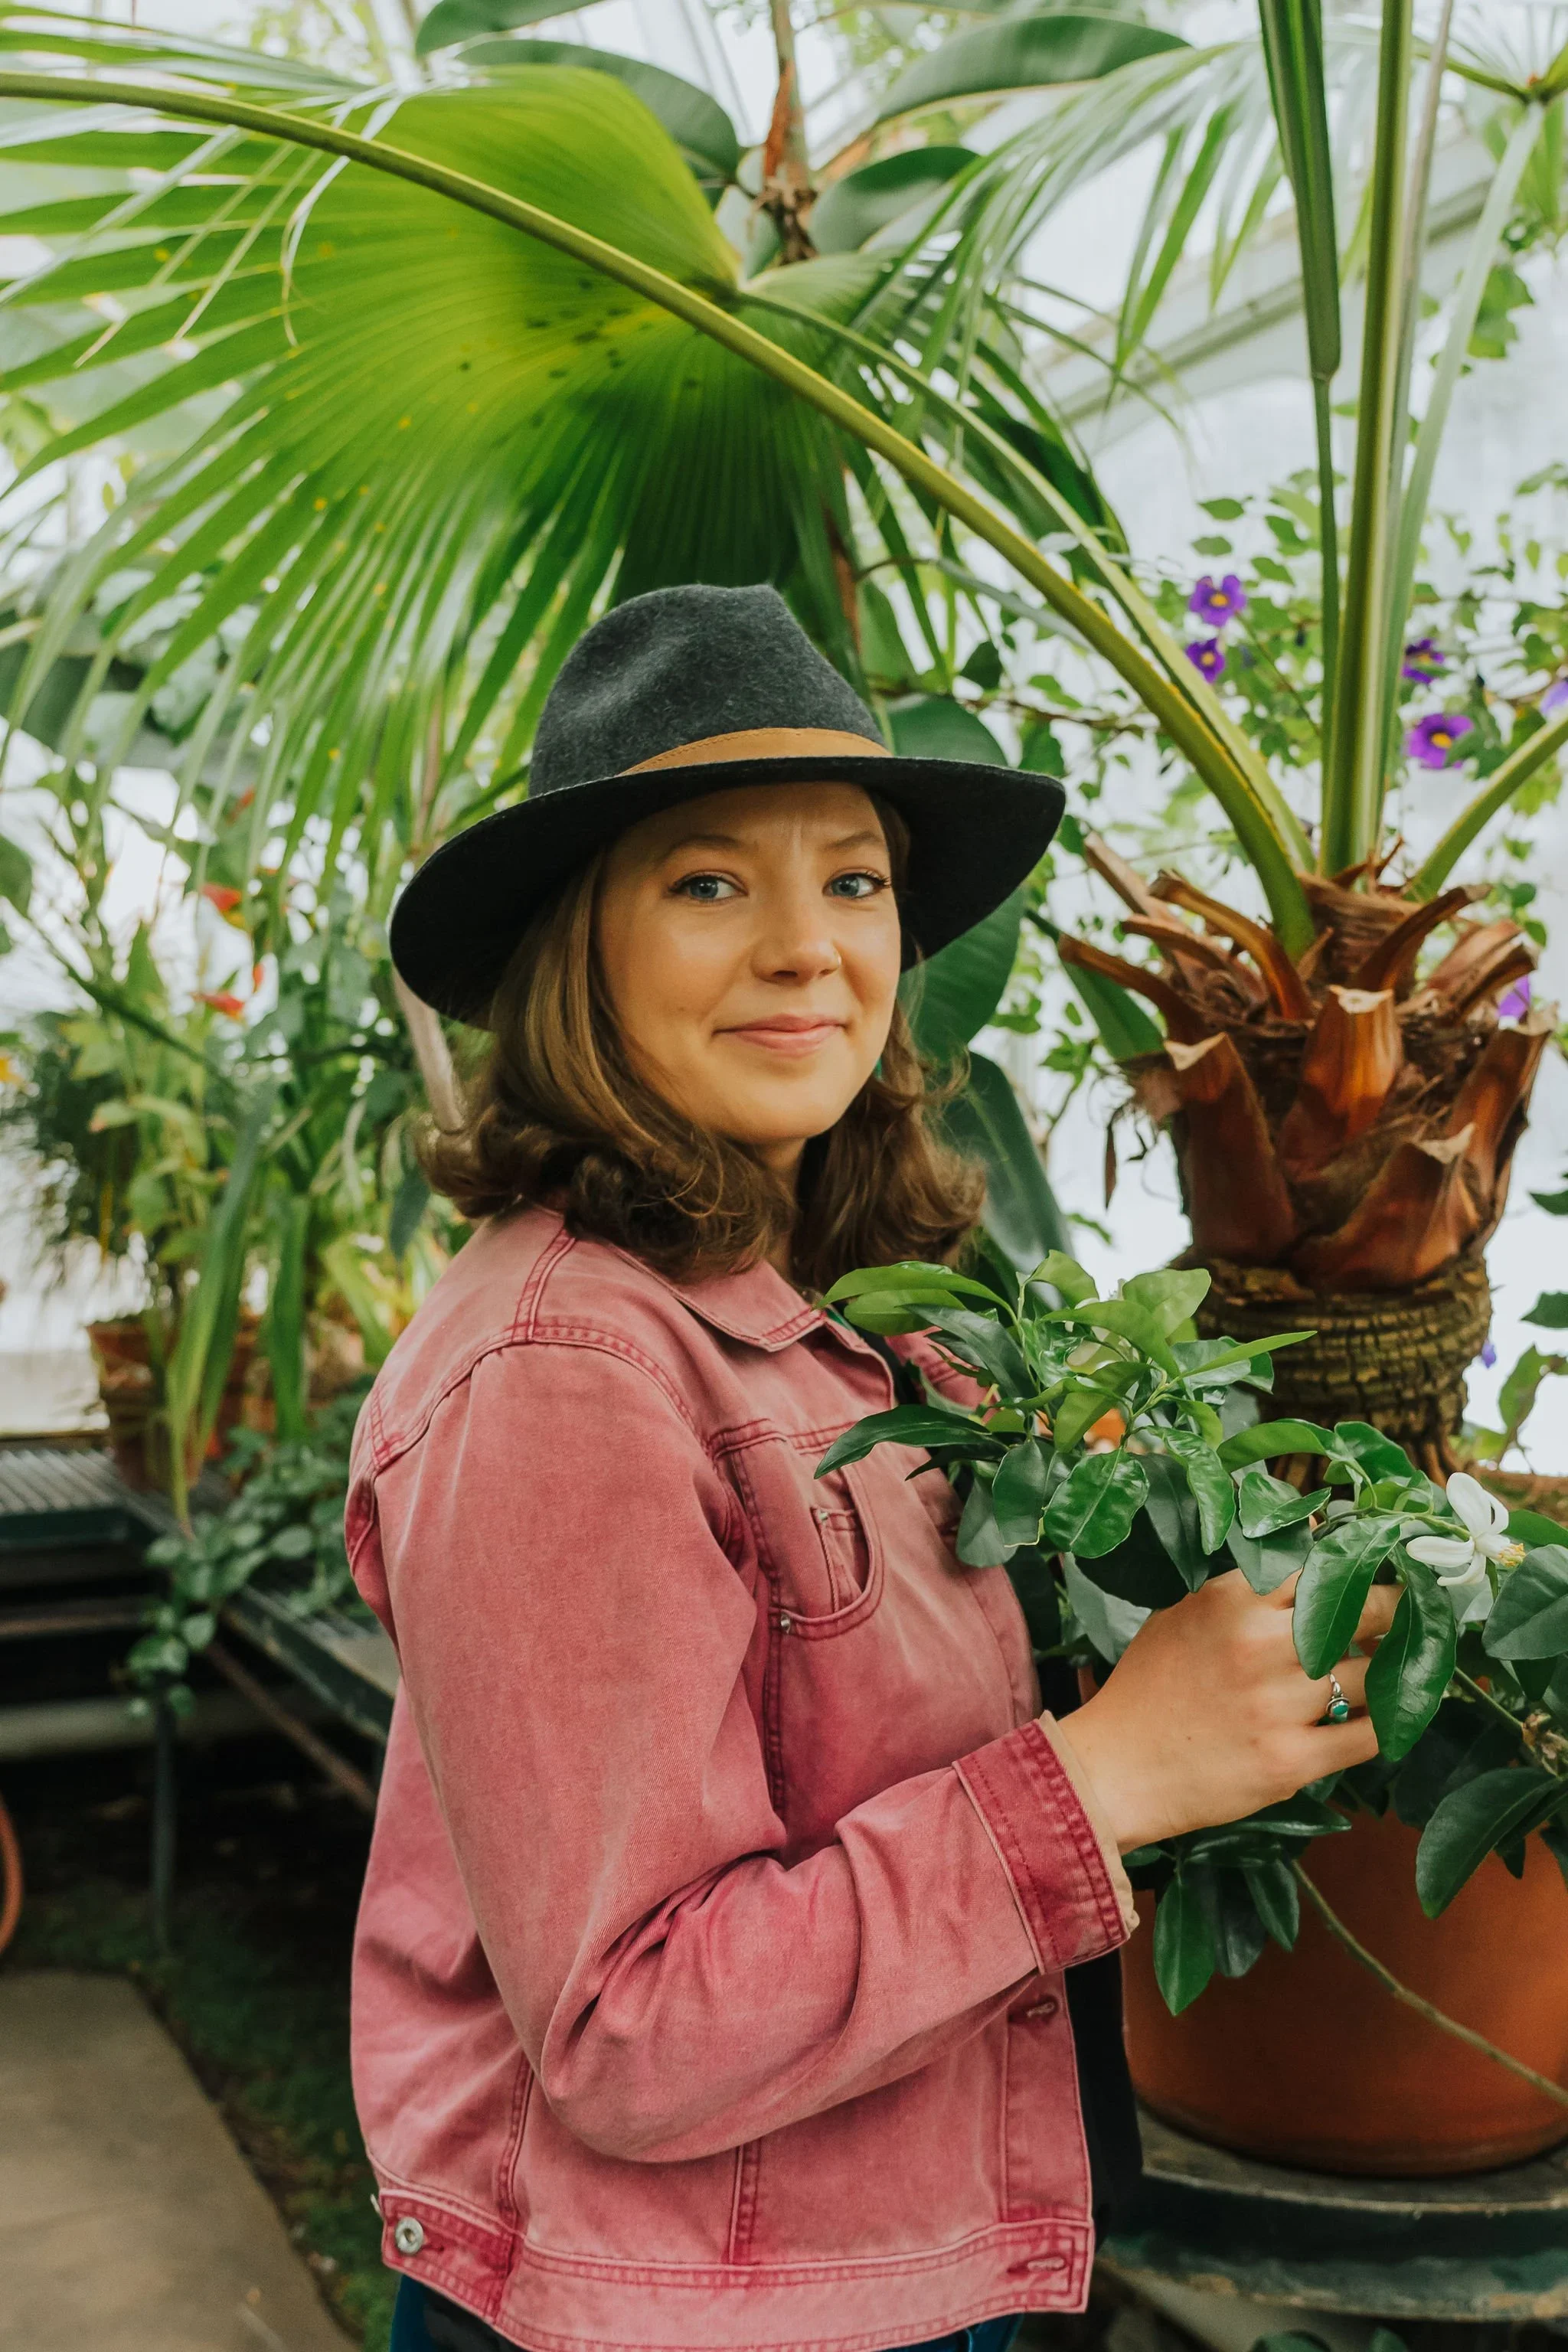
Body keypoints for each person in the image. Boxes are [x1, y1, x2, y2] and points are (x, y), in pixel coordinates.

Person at [350, 585, 1393, 2352]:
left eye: (852, 880)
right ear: (570, 950)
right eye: (706, 883)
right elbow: (630, 2025)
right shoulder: (567, 1372)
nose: (806, 946)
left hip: (866, 2252)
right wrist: (1105, 1774)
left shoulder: (828, 1316)